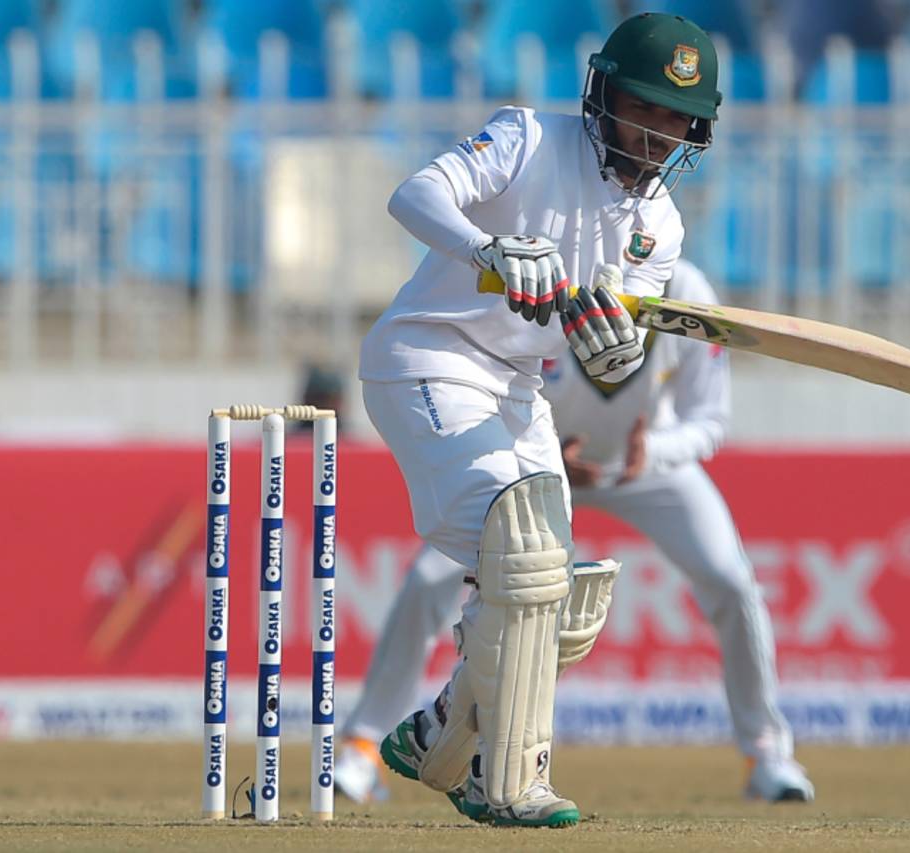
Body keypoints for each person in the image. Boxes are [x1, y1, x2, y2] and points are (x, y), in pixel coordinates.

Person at [358, 13, 721, 827]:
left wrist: (614, 353)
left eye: (678, 119)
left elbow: (597, 353)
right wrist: (487, 248)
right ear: (604, 96)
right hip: (429, 355)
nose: (661, 133)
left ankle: (438, 735)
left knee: (560, 592)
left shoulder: (659, 228)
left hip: (518, 389)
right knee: (519, 542)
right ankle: (507, 781)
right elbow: (413, 193)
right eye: (646, 108)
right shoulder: (526, 136)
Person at [338, 260, 814, 808]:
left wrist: (650, 454)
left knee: (732, 583)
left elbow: (709, 420)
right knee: (429, 581)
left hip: (646, 469)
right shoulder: (555, 284)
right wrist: (550, 454)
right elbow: (498, 380)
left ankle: (767, 754)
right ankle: (361, 747)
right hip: (537, 459)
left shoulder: (687, 292)